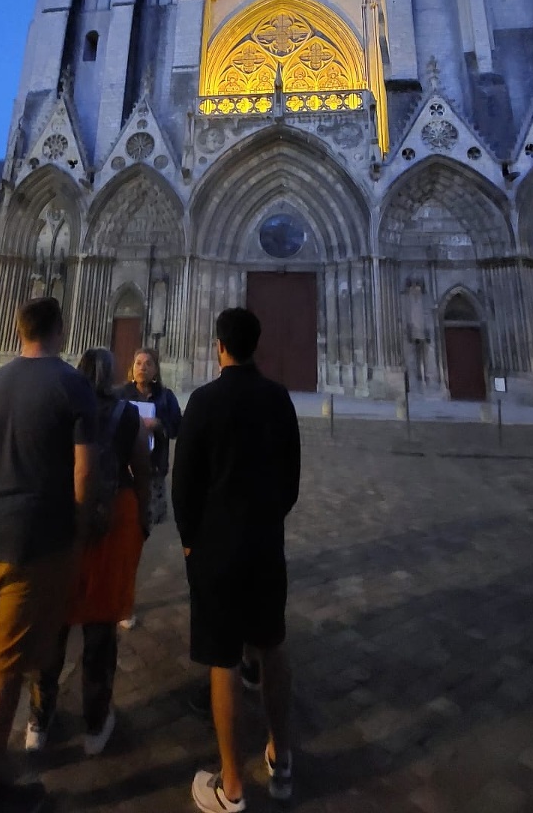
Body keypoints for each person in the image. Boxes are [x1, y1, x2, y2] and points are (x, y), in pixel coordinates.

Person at [0, 297, 97, 813]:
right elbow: (85, 471)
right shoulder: (72, 383)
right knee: (5, 668)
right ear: (61, 328)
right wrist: (77, 534)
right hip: (33, 543)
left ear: (17, 329)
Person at [172, 307, 301, 813]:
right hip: (265, 545)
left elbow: (184, 485)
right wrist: (266, 519)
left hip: (217, 549)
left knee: (223, 660)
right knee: (272, 645)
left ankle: (232, 786)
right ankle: (281, 757)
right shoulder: (279, 399)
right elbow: (290, 481)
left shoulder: (204, 401)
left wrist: (191, 542)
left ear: (219, 346)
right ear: (256, 346)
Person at [26, 347, 152, 756]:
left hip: (62, 526)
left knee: (53, 623)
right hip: (107, 526)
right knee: (100, 626)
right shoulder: (125, 414)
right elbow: (142, 468)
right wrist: (144, 514)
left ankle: (39, 719)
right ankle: (96, 723)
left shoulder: (61, 409)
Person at [119, 346, 182, 526]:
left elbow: (176, 428)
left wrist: (159, 424)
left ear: (155, 370)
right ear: (132, 367)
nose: (142, 368)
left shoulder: (166, 397)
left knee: (151, 522)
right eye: (138, 363)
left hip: (155, 466)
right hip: (125, 469)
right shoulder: (121, 394)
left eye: (148, 364)